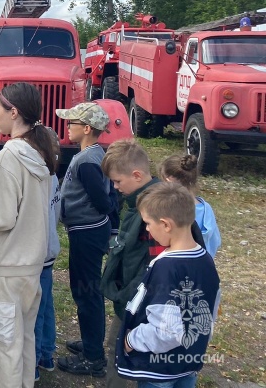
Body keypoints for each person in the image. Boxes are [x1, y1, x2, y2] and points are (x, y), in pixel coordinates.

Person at [0, 82, 59, 388]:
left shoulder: (10, 155)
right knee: (23, 340)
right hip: (32, 265)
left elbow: (0, 217)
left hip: (6, 267)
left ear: (14, 112)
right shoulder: (41, 151)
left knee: (2, 346)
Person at [116, 183, 221, 387]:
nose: (146, 228)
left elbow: (167, 332)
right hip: (188, 360)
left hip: (158, 369)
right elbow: (212, 307)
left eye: (147, 223)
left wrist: (131, 340)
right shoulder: (206, 259)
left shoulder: (166, 267)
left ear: (165, 225)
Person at [55, 102, 115, 378]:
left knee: (87, 294)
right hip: (86, 231)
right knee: (85, 292)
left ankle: (93, 358)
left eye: (72, 123)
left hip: (87, 233)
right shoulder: (91, 155)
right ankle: (90, 343)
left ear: (87, 128)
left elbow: (102, 201)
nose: (68, 127)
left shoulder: (86, 161)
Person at [97, 139, 162, 388]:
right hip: (131, 299)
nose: (115, 187)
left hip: (139, 304)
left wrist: (129, 294)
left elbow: (156, 265)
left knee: (123, 355)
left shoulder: (153, 209)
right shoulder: (138, 203)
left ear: (136, 175)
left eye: (117, 181)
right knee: (118, 350)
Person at [34, 130, 62, 383]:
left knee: (36, 308)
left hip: (39, 251)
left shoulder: (40, 176)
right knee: (47, 304)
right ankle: (46, 354)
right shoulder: (52, 173)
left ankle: (32, 361)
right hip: (50, 247)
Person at [159, 154, 221, 258]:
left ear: (168, 180)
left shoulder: (166, 210)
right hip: (202, 265)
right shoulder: (207, 209)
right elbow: (215, 243)